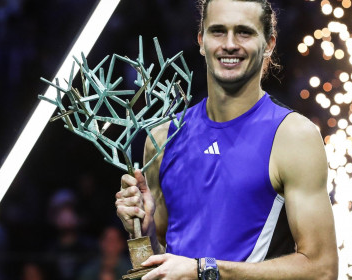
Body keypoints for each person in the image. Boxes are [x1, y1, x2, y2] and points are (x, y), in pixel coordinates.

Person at [115, 0, 339, 279]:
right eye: (218, 31)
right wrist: (142, 232)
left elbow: (322, 270)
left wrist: (204, 271)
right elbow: (153, 267)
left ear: (269, 43)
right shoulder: (162, 139)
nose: (230, 44)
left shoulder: (292, 137)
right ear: (201, 40)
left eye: (244, 32)